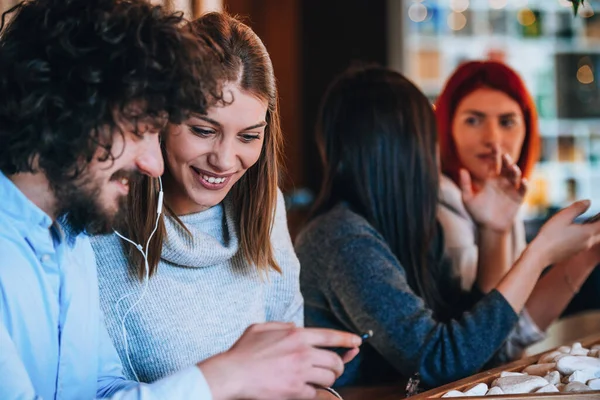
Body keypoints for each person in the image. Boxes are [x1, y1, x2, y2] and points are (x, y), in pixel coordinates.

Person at [0, 1, 359, 399]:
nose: (152, 163)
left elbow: (99, 389)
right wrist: (226, 376)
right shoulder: (82, 230)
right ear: (67, 114)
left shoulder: (68, 242)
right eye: (138, 130)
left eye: (247, 135)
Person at [295, 65, 600, 389]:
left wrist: (491, 230)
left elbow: (478, 346)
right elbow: (439, 361)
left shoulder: (405, 228)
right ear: (402, 149)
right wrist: (538, 254)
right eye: (430, 139)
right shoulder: (341, 239)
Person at [436, 60, 600, 356]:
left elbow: (507, 331)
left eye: (507, 121)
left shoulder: (503, 195)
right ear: (447, 127)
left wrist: (590, 251)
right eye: (473, 120)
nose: (493, 139)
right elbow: (489, 344)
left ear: (528, 128)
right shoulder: (441, 202)